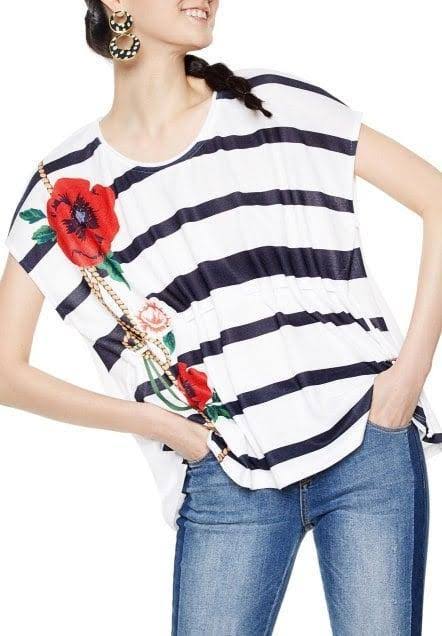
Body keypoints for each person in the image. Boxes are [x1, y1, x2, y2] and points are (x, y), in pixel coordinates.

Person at [1, 1, 441, 634]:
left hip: (364, 443)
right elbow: (5, 370)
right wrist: (166, 427)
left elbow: (438, 198)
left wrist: (406, 379)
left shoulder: (271, 105)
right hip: (226, 473)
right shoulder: (65, 189)